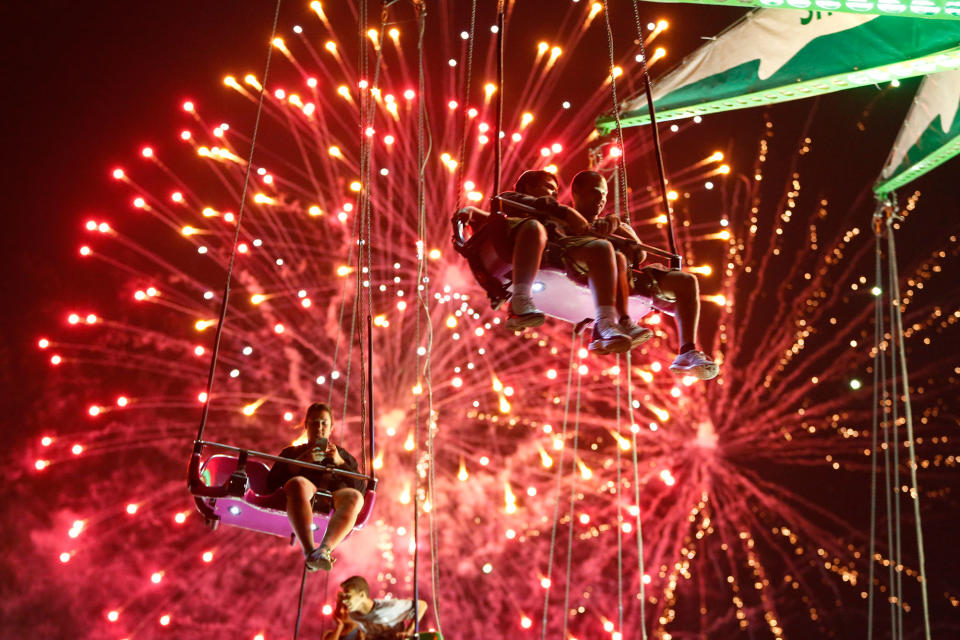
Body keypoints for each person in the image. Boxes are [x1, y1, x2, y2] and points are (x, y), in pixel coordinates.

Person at [455, 170, 633, 353]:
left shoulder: (555, 218)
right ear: (526, 187)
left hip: (556, 254)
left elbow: (580, 232)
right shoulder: (513, 200)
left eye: (556, 191)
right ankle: (520, 298)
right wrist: (563, 211)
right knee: (534, 227)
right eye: (549, 188)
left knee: (602, 247)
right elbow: (500, 214)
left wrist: (611, 224)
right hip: (517, 241)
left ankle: (604, 322)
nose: (554, 194)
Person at [569, 170, 718, 380]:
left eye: (604, 195)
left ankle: (687, 350)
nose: (601, 199)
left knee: (686, 281)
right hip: (589, 272)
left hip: (629, 278)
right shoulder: (566, 217)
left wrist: (619, 228)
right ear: (576, 192)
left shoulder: (613, 223)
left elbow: (639, 254)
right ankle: (615, 322)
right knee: (615, 257)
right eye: (595, 193)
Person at [266, 403, 367, 572]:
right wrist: (302, 462)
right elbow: (271, 483)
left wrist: (340, 463)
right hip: (305, 491)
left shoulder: (343, 456)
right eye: (314, 423)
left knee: (355, 498)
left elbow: (360, 488)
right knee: (297, 483)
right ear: (306, 425)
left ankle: (324, 550)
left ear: (331, 427)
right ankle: (309, 549)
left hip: (337, 494)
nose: (319, 428)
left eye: (324, 423)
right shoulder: (291, 453)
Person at [324, 575, 428, 640]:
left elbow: (422, 605)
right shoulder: (354, 615)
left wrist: (409, 631)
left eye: (348, 596)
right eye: (343, 597)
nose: (345, 601)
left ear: (362, 595)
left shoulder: (389, 607)